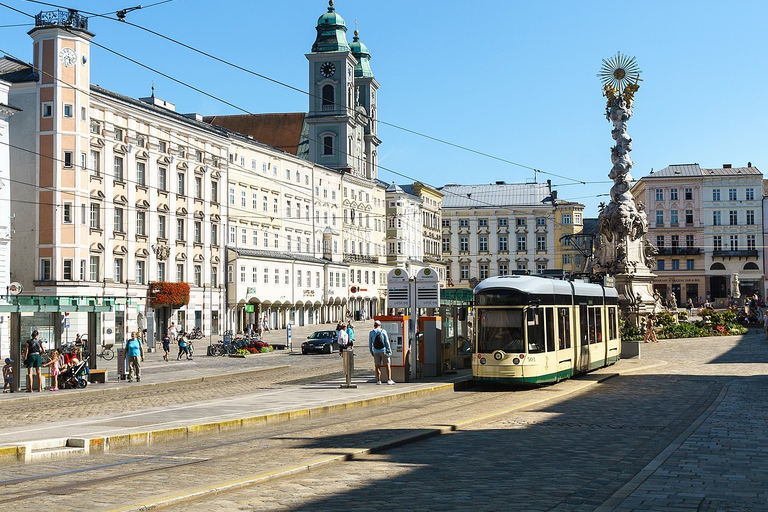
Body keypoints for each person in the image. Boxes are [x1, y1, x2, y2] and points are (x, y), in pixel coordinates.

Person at [369, 320, 394, 385]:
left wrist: (371, 351)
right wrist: (389, 350)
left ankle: (378, 380)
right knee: (387, 365)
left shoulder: (371, 332)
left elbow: (370, 343)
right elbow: (387, 342)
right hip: (384, 350)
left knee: (377, 366)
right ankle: (389, 379)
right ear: (380, 325)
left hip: (376, 351)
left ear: (374, 326)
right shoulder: (383, 331)